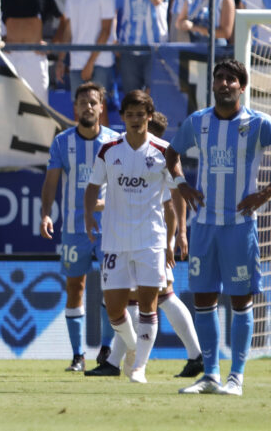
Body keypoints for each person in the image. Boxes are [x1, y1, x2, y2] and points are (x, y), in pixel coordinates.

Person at [167, 59, 271, 395]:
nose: (224, 83)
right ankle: (211, 376)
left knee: (241, 301)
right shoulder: (197, 122)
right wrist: (181, 183)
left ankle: (237, 378)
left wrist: (267, 192)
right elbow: (171, 154)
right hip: (203, 226)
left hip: (240, 227)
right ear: (212, 85)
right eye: (219, 78)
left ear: (242, 87)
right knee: (203, 299)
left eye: (231, 79)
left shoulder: (258, 123)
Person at [85, 110, 203, 378]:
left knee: (160, 297)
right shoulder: (124, 157)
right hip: (137, 238)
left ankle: (194, 355)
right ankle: (117, 361)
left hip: (152, 239)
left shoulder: (160, 160)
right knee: (141, 300)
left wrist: (173, 240)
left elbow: (171, 208)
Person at [84, 90, 174, 383]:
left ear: (150, 116)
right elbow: (92, 188)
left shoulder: (164, 151)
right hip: (114, 240)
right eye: (130, 115)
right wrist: (88, 218)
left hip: (151, 240)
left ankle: (139, 368)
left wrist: (176, 237)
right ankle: (135, 347)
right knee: (114, 309)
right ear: (122, 117)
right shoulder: (109, 149)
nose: (136, 120)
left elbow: (175, 197)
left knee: (149, 305)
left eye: (141, 114)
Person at [40, 82, 120, 372]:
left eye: (93, 102)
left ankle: (107, 350)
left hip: (109, 228)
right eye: (83, 101)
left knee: (112, 288)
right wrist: (46, 214)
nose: (88, 106)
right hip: (74, 229)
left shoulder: (115, 142)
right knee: (75, 286)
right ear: (75, 107)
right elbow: (50, 182)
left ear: (101, 108)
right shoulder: (62, 142)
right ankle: (77, 355)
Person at [0, 0, 66, 104]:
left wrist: (52, 45)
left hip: (34, 58)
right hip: (10, 57)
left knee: (39, 104)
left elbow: (64, 21)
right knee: (8, 102)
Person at [56, 0, 115, 126]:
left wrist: (90, 63)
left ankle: (104, 147)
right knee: (78, 110)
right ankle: (81, 147)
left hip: (101, 61)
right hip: (77, 62)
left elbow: (106, 30)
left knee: (100, 109)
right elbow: (68, 28)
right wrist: (61, 59)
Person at [118, 0, 169, 94]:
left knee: (152, 96)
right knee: (132, 99)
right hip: (129, 48)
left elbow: (157, 0)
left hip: (155, 49)